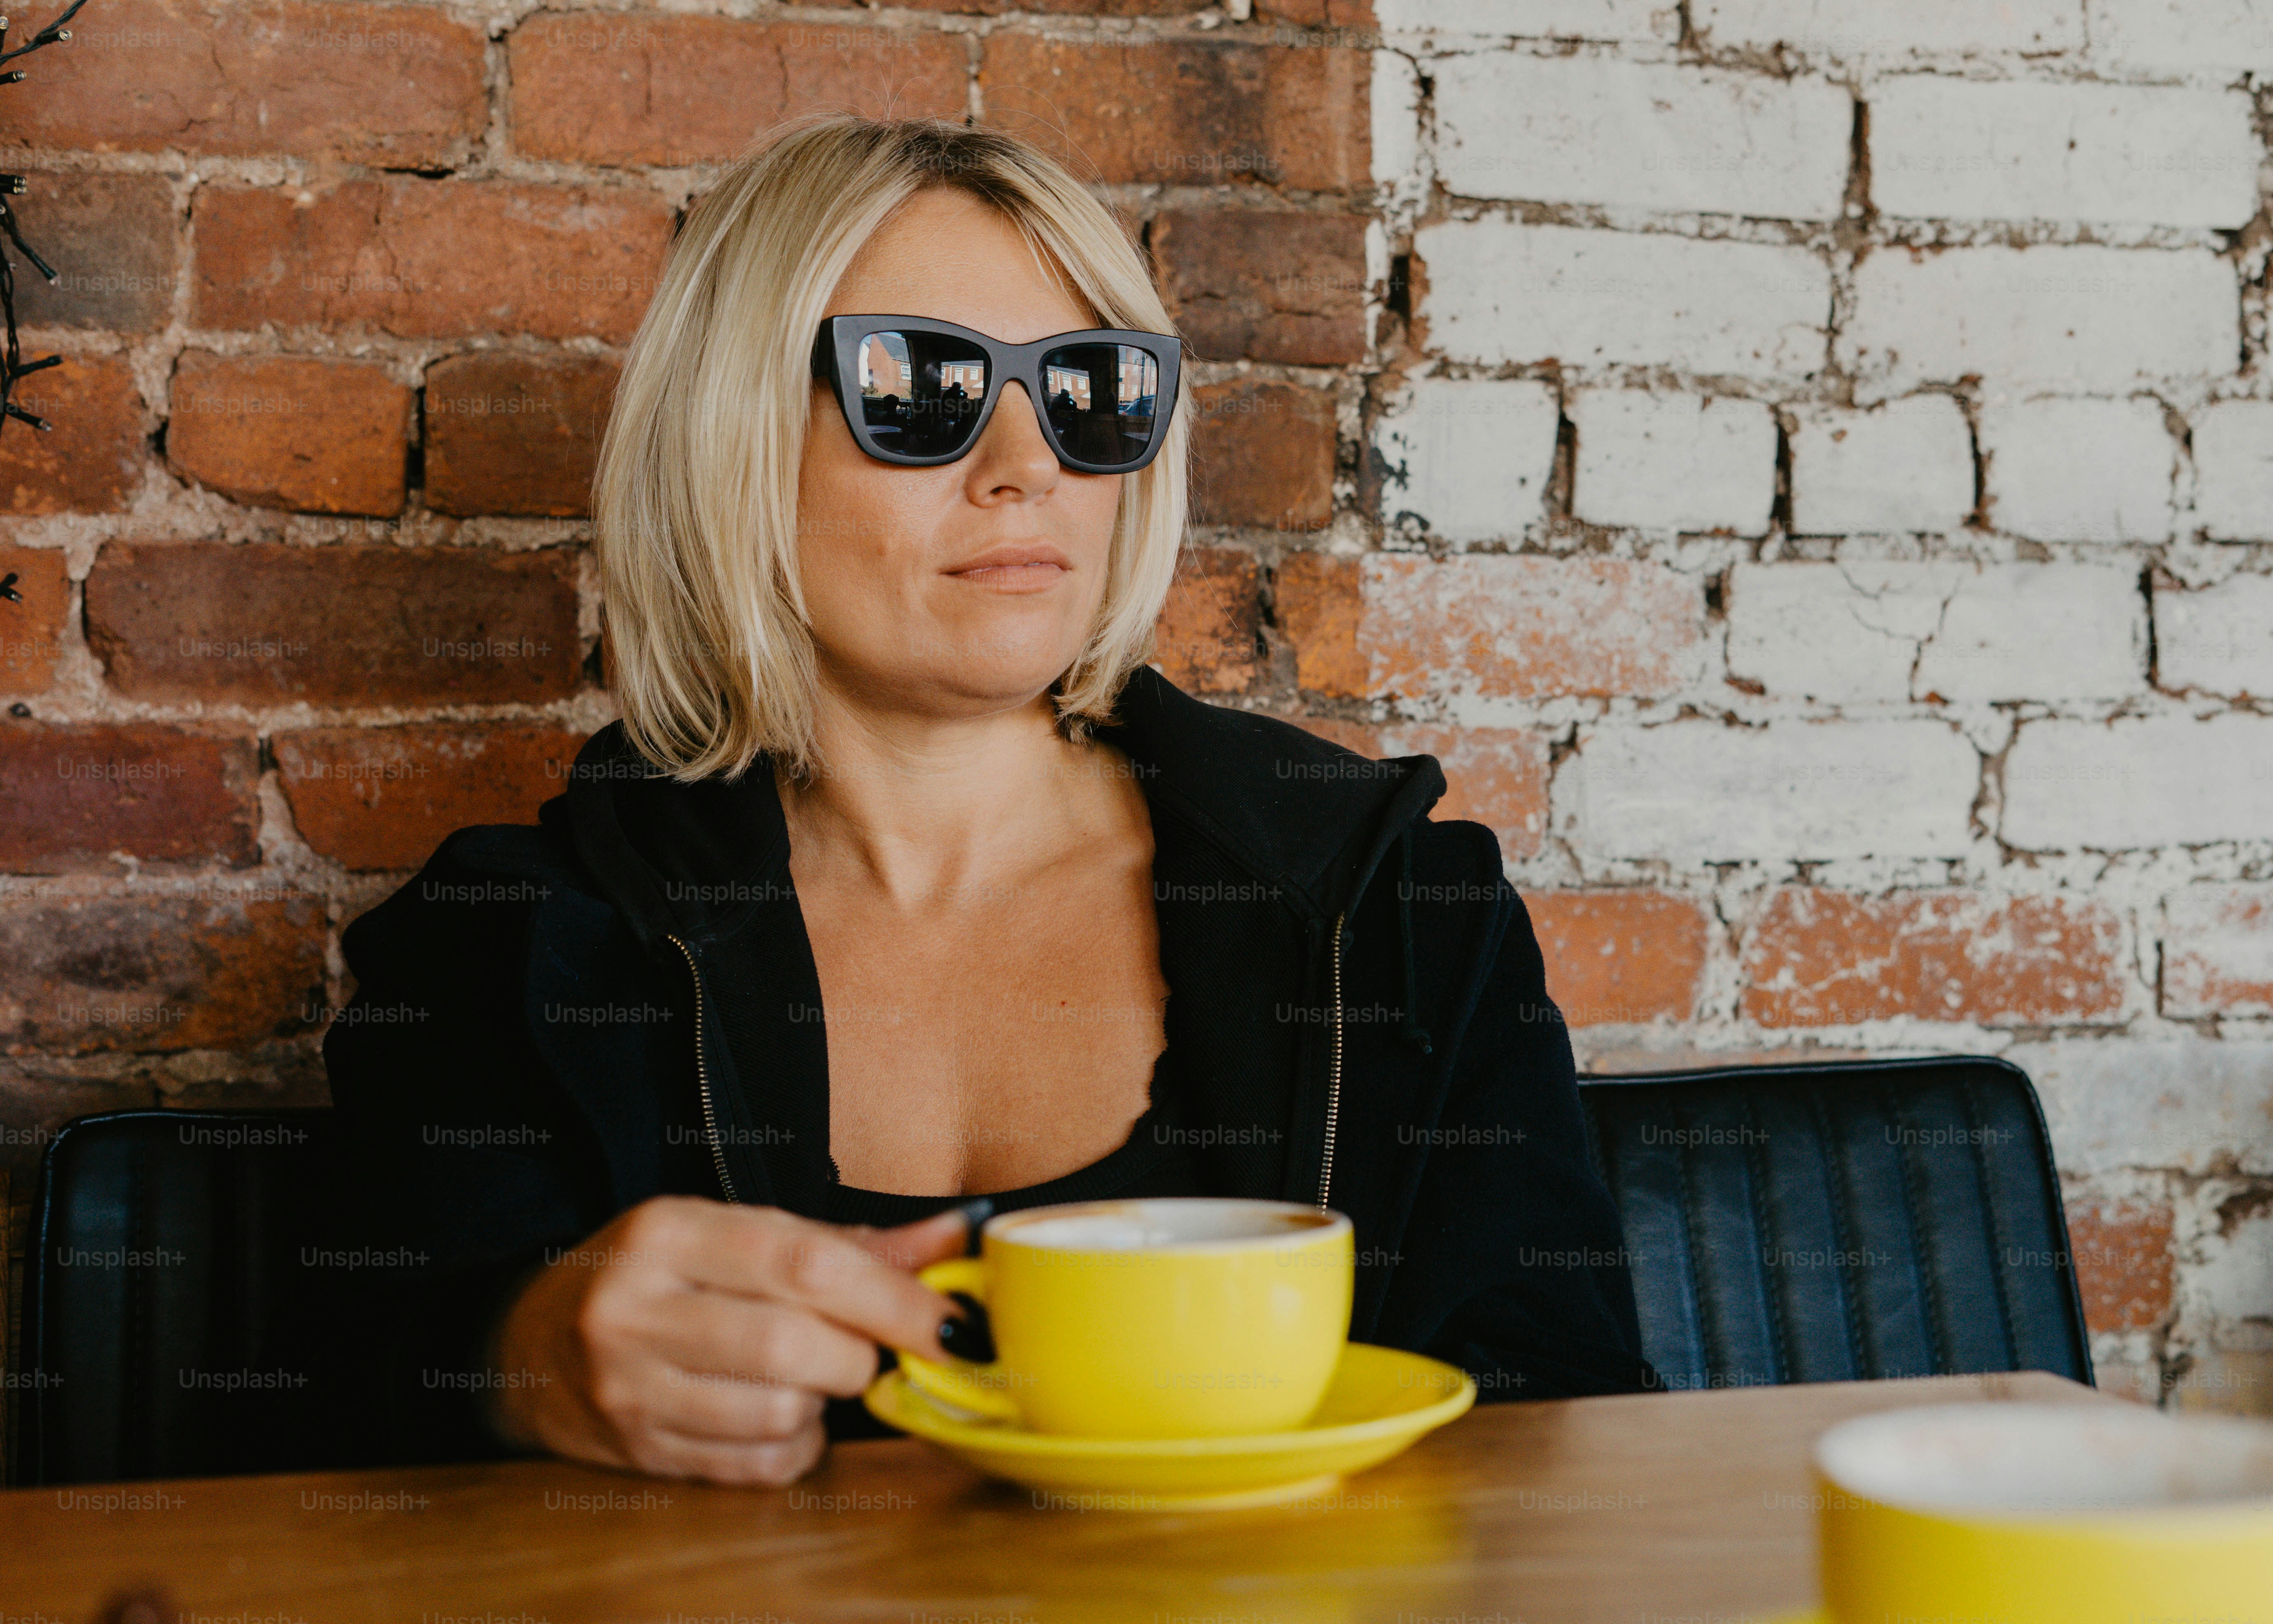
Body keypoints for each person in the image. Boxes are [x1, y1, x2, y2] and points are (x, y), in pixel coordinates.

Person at [307, 114, 1658, 1487]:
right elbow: (348, 1394)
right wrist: (523, 1356)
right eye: (920, 386)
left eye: (1091, 389)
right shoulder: (512, 948)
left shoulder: (1395, 907)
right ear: (732, 435)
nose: (1029, 463)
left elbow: (1561, 1430)